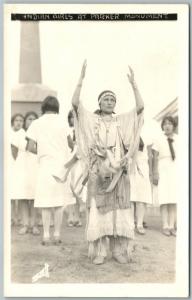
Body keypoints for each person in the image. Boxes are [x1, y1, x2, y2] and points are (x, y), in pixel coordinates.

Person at [72, 60, 144, 265]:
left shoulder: (121, 121)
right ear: (100, 103)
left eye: (113, 99)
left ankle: (119, 250)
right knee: (99, 210)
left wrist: (134, 84)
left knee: (120, 210)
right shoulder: (92, 121)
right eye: (106, 99)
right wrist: (81, 79)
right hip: (99, 172)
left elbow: (140, 108)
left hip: (119, 171)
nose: (110, 101)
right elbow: (76, 105)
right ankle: (101, 251)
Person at [26, 96, 71, 245]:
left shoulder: (36, 123)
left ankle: (46, 236)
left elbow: (30, 147)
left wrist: (43, 152)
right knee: (58, 202)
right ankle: (57, 235)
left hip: (45, 165)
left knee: (45, 202)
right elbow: (71, 144)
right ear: (57, 108)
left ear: (43, 107)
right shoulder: (62, 123)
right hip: (60, 165)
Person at [152, 116, 178, 236]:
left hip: (175, 168)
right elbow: (155, 157)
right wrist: (155, 173)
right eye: (165, 124)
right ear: (162, 126)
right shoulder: (158, 139)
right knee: (164, 198)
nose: (167, 126)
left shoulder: (179, 139)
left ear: (174, 125)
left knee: (173, 199)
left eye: (170, 124)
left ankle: (172, 226)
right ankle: (165, 225)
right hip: (162, 168)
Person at [18, 111, 40, 235]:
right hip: (22, 168)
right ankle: (25, 224)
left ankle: (34, 224)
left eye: (33, 119)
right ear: (25, 121)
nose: (31, 122)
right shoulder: (20, 134)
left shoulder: (39, 135)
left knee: (34, 197)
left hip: (35, 168)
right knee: (23, 197)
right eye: (29, 119)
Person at [65, 109, 85, 227]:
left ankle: (77, 216)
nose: (74, 120)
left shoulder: (83, 132)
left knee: (77, 188)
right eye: (71, 117)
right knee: (69, 188)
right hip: (68, 160)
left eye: (76, 117)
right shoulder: (66, 131)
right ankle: (70, 216)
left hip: (79, 162)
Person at [130, 135, 153, 235]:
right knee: (130, 197)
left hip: (143, 167)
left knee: (141, 198)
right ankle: (130, 224)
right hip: (130, 167)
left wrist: (151, 172)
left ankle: (139, 224)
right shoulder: (127, 134)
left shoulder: (147, 136)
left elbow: (150, 156)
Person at [10, 113, 25, 226]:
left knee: (19, 194)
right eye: (16, 120)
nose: (19, 122)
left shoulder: (23, 134)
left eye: (21, 120)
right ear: (12, 122)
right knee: (9, 194)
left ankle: (19, 217)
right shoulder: (8, 133)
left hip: (19, 166)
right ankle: (10, 217)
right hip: (8, 165)